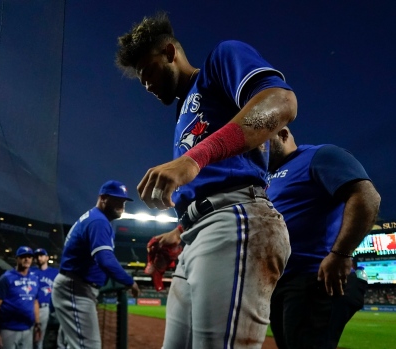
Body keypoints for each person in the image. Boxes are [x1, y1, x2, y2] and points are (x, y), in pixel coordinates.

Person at [115, 11, 297, 348]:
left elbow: (281, 101)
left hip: (237, 220)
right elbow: (212, 181)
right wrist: (176, 233)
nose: (145, 84)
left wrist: (193, 158)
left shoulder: (220, 60)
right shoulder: (183, 108)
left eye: (147, 71)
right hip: (198, 234)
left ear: (170, 52)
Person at [266, 127, 381, 349]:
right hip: (282, 282)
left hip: (316, 278)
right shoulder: (268, 177)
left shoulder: (319, 155)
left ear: (283, 133)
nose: (256, 150)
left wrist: (341, 253)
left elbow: (367, 195)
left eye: (261, 142)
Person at [53, 180, 140, 349]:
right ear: (103, 198)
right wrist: (130, 281)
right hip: (75, 288)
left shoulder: (93, 218)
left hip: (73, 286)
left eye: (124, 201)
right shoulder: (98, 221)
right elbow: (105, 259)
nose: (122, 205)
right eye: (117, 200)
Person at [0, 246, 41, 349]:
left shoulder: (34, 278)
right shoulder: (6, 278)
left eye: (29, 257)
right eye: (23, 257)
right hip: (8, 329)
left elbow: (35, 302)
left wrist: (37, 324)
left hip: (27, 329)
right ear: (17, 258)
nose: (27, 259)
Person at [32, 248, 59, 349]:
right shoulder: (31, 271)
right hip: (34, 308)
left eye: (42, 255)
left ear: (47, 258)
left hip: (50, 308)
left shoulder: (55, 272)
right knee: (35, 338)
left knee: (46, 339)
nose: (39, 258)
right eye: (37, 256)